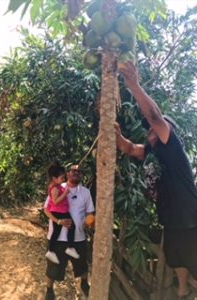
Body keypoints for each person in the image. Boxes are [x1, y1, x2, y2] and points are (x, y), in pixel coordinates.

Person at [116, 61, 197, 299]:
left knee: (193, 257)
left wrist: (134, 84)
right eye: (149, 131)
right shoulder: (153, 154)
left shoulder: (172, 146)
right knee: (175, 256)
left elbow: (154, 117)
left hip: (189, 215)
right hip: (171, 217)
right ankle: (183, 290)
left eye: (154, 130)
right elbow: (129, 149)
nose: (150, 132)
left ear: (166, 129)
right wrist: (116, 133)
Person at [44, 164, 95, 300]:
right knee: (53, 266)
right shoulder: (58, 187)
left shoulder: (85, 192)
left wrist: (89, 221)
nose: (76, 173)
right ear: (67, 173)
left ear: (82, 175)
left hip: (78, 238)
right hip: (59, 238)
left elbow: (90, 212)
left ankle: (84, 283)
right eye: (73, 171)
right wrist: (59, 222)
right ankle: (49, 290)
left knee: (81, 265)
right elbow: (46, 209)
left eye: (79, 172)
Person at [45, 162, 80, 264]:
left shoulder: (57, 185)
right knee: (71, 226)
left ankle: (51, 251)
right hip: (59, 212)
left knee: (56, 232)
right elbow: (55, 201)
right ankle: (70, 247)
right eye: (61, 178)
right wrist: (65, 193)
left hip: (59, 211)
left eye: (64, 177)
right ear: (54, 178)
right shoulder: (55, 188)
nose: (63, 180)